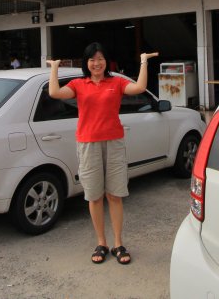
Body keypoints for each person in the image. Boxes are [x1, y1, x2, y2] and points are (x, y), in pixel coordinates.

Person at [47, 43, 158, 265]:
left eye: (100, 59)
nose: (96, 63)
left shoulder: (116, 82)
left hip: (114, 143)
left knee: (115, 195)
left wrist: (144, 61)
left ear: (106, 62)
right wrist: (55, 69)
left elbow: (139, 88)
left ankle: (118, 243)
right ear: (86, 63)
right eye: (92, 60)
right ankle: (101, 242)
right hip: (88, 144)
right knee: (95, 196)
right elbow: (54, 92)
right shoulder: (78, 84)